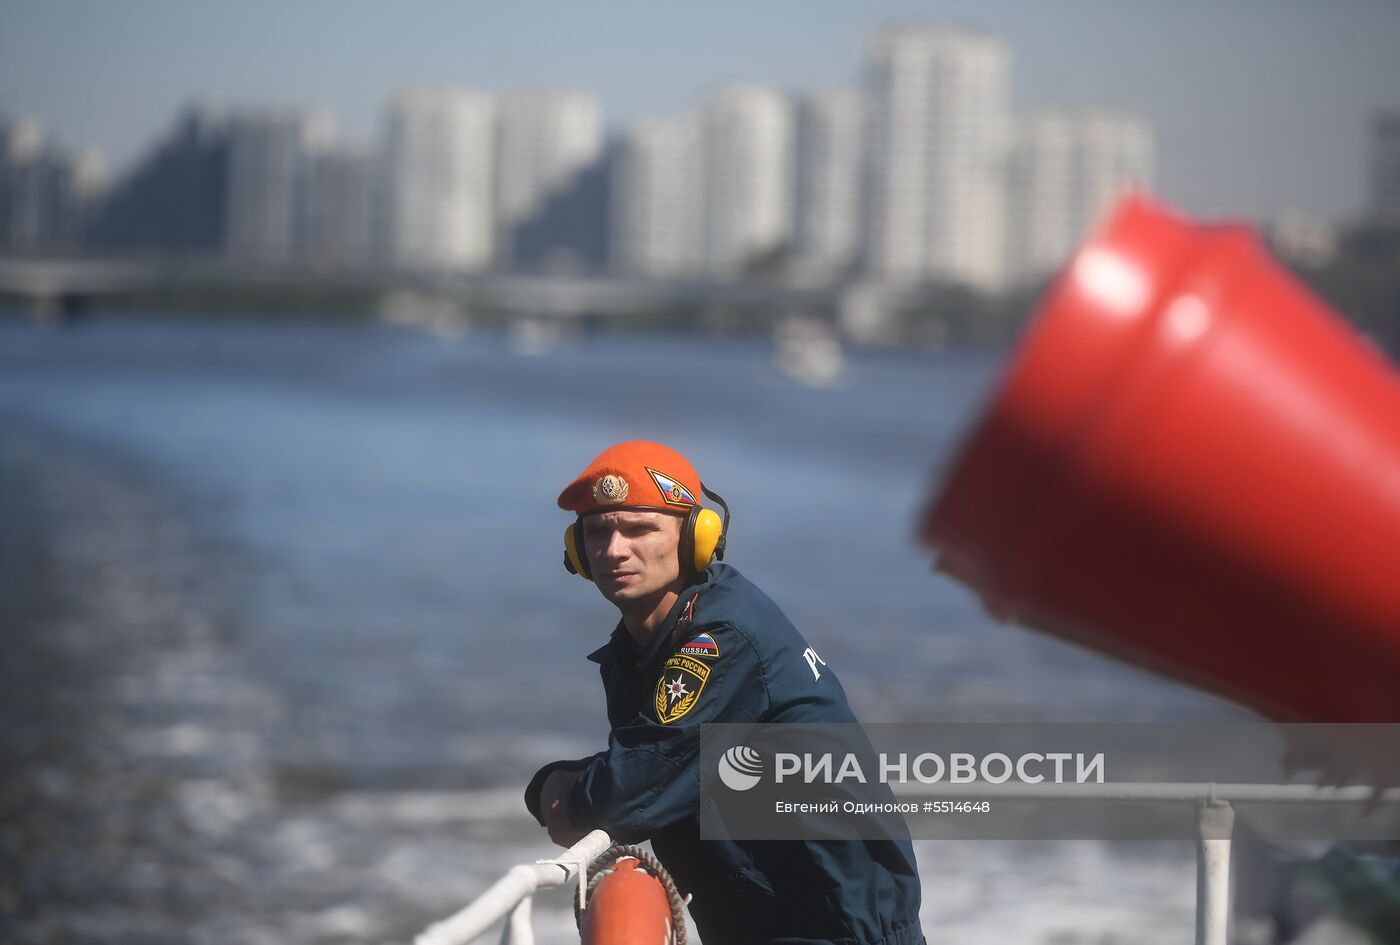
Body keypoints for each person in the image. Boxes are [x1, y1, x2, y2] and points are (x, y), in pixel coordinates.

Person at [524, 440, 926, 945]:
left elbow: (631, 794)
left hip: (832, 929)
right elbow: (664, 760)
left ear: (696, 537)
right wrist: (571, 783)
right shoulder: (651, 641)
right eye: (597, 532)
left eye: (640, 529)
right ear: (577, 550)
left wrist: (552, 789)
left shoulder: (721, 639)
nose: (614, 550)